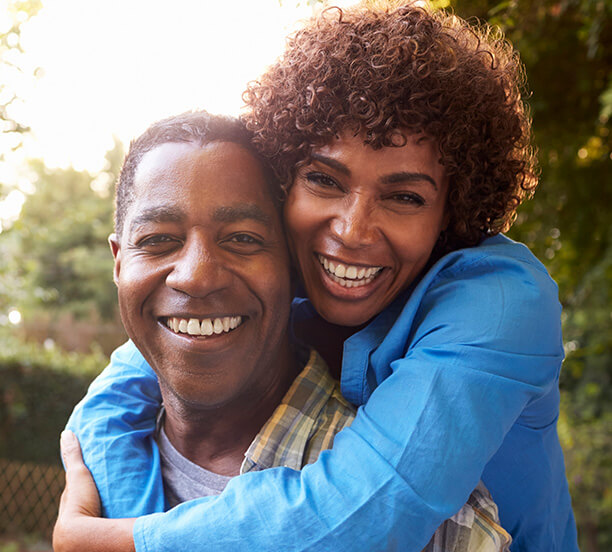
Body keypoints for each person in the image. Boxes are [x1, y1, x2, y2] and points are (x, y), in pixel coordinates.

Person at [55, 2, 578, 551]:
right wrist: (108, 501)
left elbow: (364, 514)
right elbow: (137, 371)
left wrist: (110, 543)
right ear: (286, 183)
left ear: (452, 212)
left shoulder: (499, 303)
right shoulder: (295, 267)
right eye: (325, 179)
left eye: (404, 196)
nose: (352, 230)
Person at [54, 109, 511, 552]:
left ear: (292, 262)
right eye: (158, 241)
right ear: (118, 262)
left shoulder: (436, 528)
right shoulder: (94, 459)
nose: (194, 276)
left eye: (242, 239)